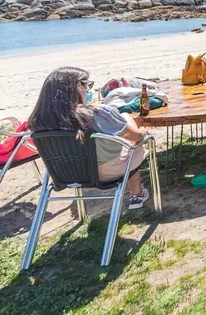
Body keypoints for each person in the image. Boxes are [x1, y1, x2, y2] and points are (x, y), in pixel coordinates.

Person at [27, 67, 150, 209]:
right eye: (87, 84)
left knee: (124, 135)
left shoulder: (38, 121)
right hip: (105, 173)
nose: (89, 89)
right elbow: (136, 137)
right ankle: (137, 193)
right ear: (77, 86)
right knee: (134, 142)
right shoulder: (98, 114)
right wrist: (144, 132)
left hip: (65, 173)